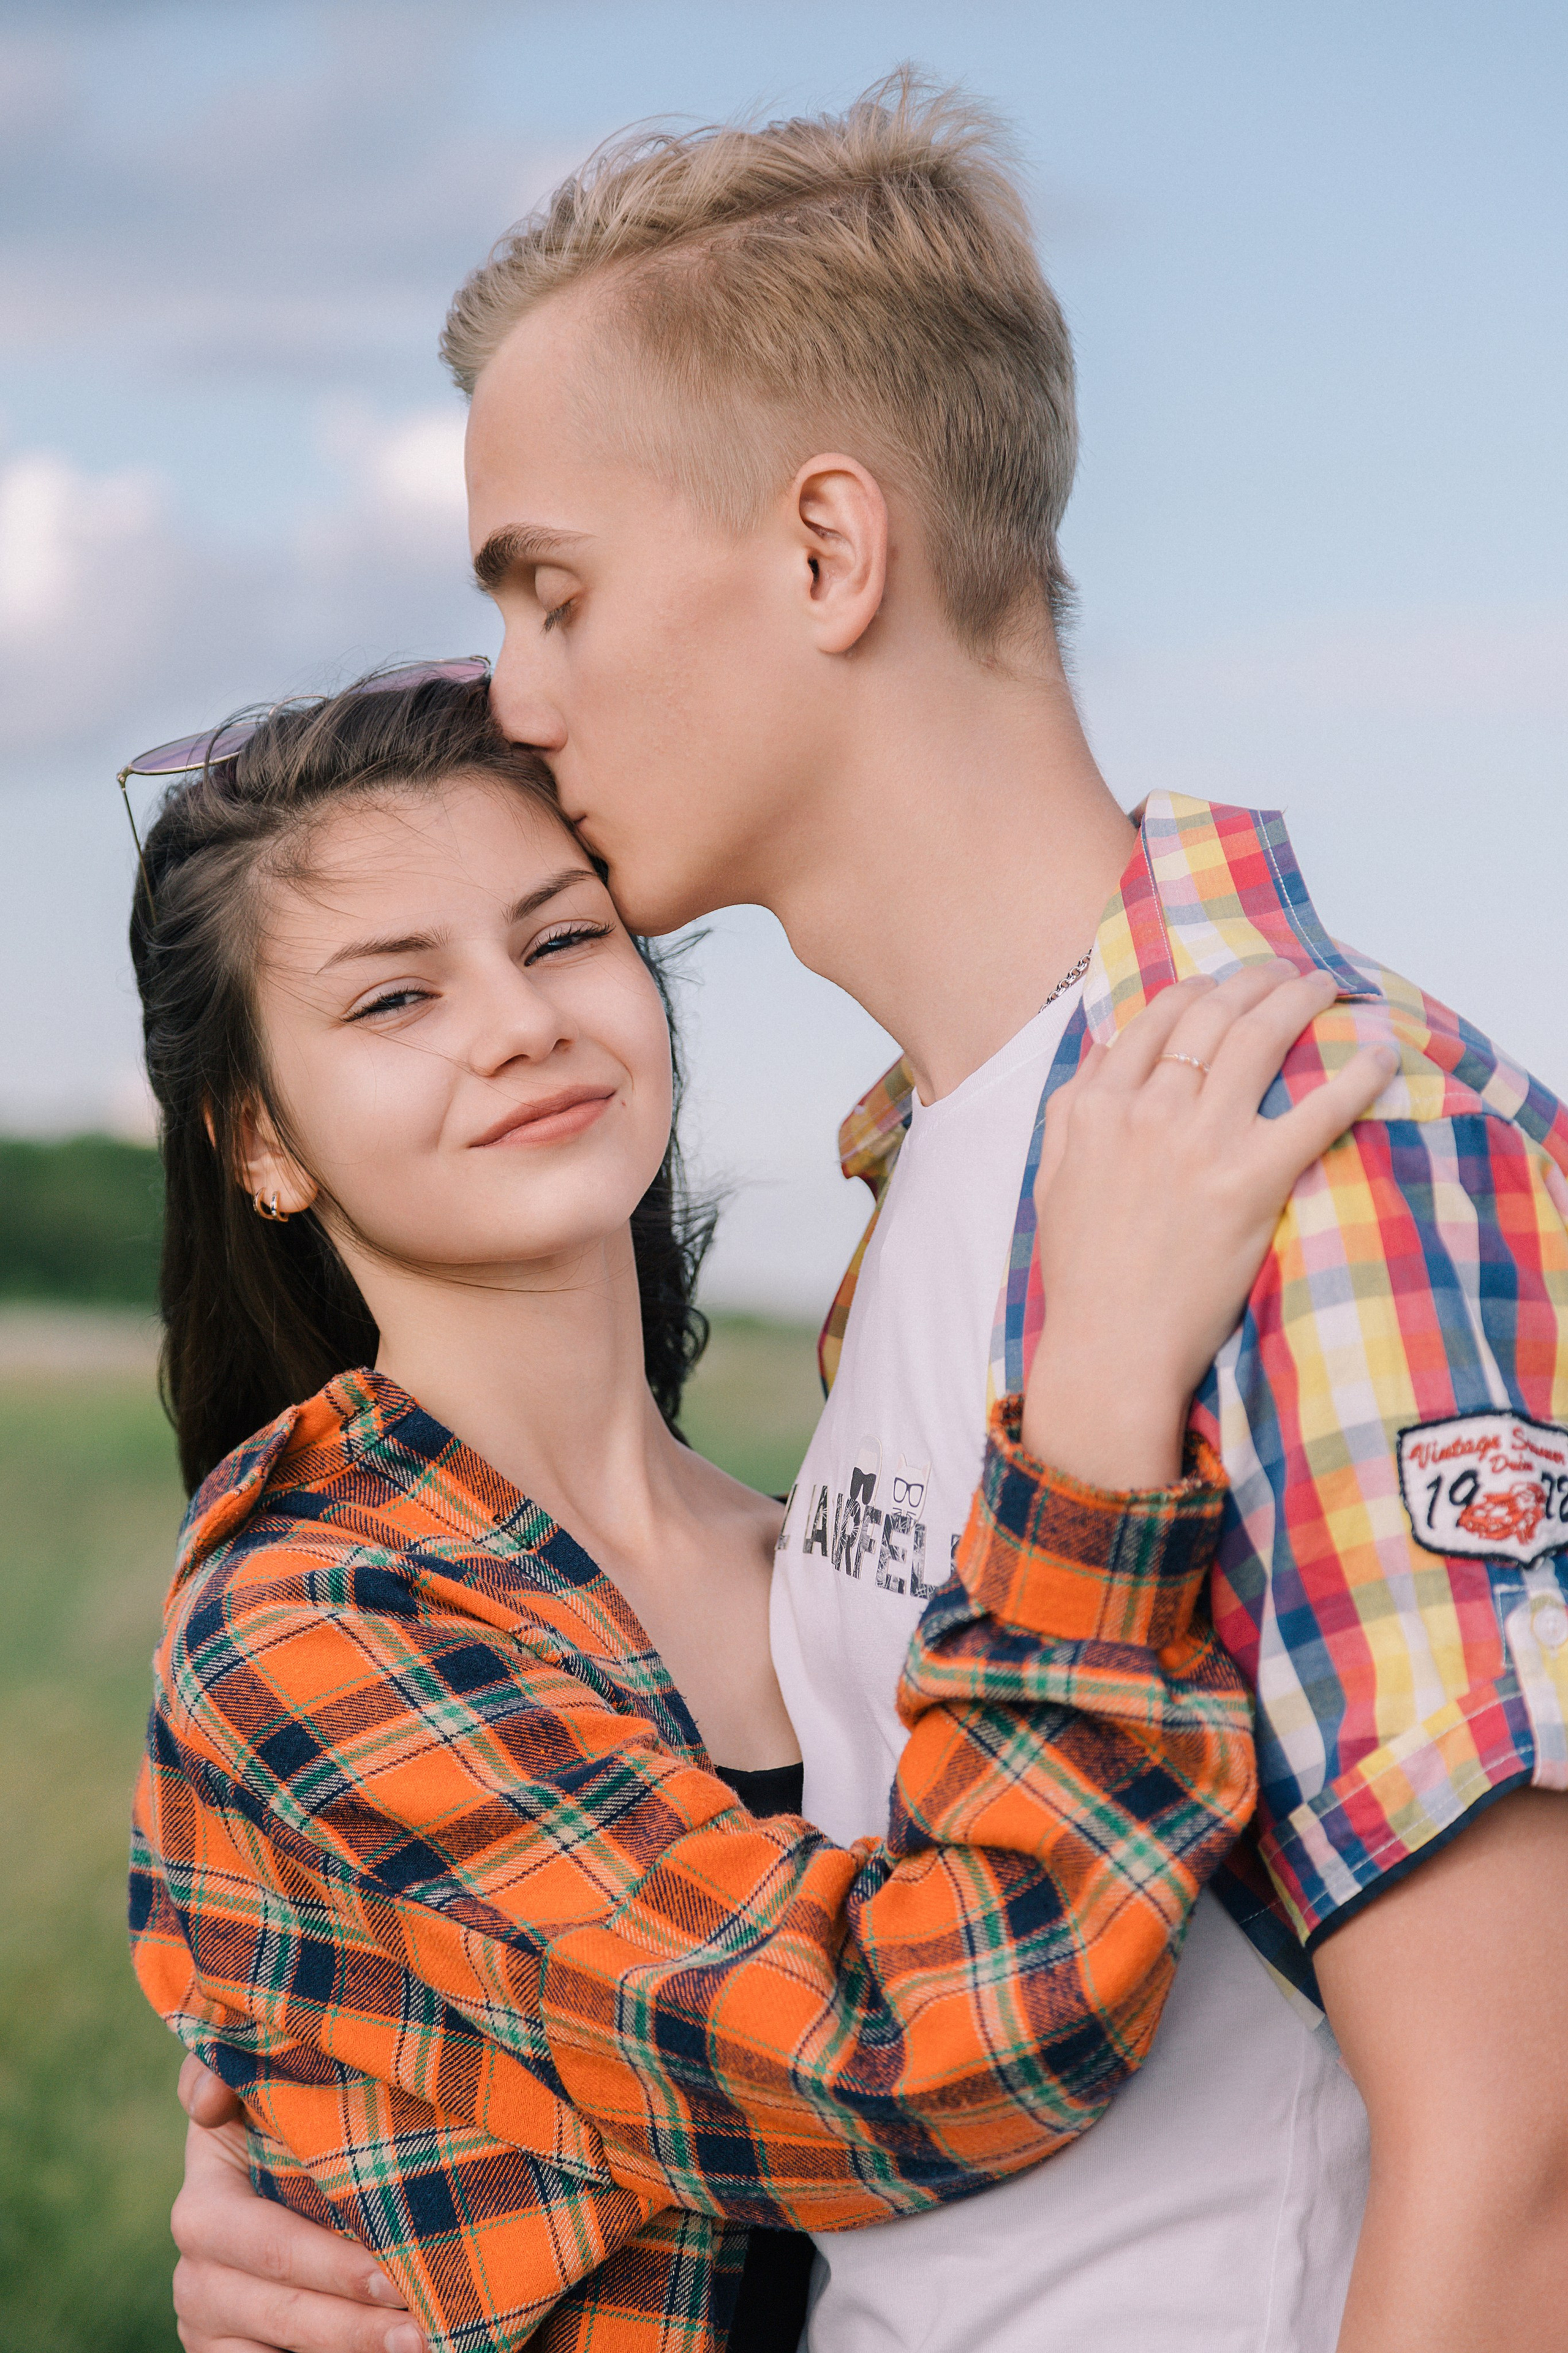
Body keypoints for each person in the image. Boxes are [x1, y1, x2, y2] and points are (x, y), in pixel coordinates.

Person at [167, 72, 1568, 2353]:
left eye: (553, 589)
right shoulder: (955, 1169)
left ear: (831, 551)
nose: (518, 703)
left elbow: (1523, 2186)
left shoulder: (1300, 1139)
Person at [124, 665, 1385, 2353]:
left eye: (561, 938)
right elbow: (907, 2059)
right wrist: (1093, 1406)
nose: (517, 1020)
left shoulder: (814, 1552)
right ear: (263, 1141)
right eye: (392, 1001)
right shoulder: (307, 1620)